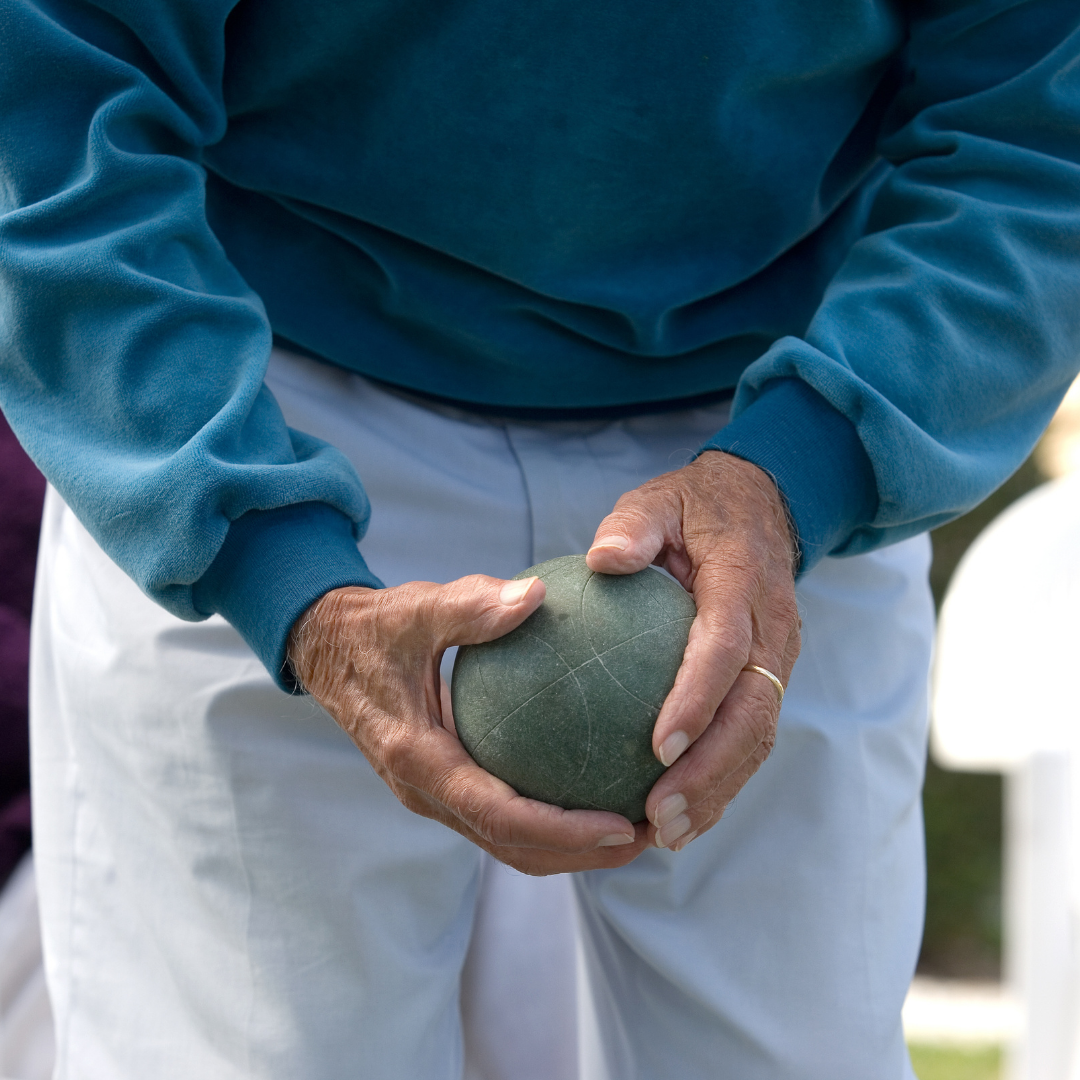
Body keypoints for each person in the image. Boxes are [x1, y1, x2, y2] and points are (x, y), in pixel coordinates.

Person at [1, 1, 1078, 1077]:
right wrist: (273, 567)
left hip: (780, 421)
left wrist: (801, 470)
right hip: (259, 396)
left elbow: (1038, 132)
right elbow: (51, 104)